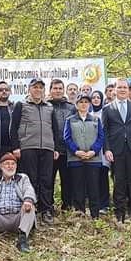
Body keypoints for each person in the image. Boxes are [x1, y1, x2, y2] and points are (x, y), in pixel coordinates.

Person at [10, 78, 60, 224]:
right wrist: (15, 147)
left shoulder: (49, 107)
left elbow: (55, 129)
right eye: (35, 87)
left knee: (46, 179)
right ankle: (30, 208)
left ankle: (46, 210)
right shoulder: (21, 105)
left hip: (47, 148)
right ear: (29, 89)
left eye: (40, 87)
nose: (38, 90)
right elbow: (13, 128)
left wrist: (55, 147)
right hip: (28, 147)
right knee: (30, 179)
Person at [102, 79, 131, 223]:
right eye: (120, 87)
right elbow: (104, 131)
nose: (122, 89)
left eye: (125, 87)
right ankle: (119, 212)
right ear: (114, 90)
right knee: (119, 181)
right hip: (116, 150)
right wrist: (107, 149)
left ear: (128, 90)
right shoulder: (108, 109)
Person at [0, 153, 37, 252]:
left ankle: (22, 240)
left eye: (13, 164)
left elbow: (29, 190)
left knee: (30, 207)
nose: (10, 166)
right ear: (1, 166)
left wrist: (28, 200)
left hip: (18, 218)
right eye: (7, 164)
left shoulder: (22, 178)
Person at [63, 93, 106, 218]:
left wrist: (93, 151)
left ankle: (95, 215)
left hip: (93, 159)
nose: (84, 104)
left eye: (86, 102)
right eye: (81, 102)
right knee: (78, 188)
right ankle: (80, 214)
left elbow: (101, 137)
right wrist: (76, 151)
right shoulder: (70, 120)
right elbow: (67, 138)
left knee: (94, 188)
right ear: (76, 105)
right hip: (75, 159)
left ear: (90, 104)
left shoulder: (96, 120)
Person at [48, 79, 76, 212]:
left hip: (67, 150)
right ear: (50, 90)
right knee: (48, 180)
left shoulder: (71, 107)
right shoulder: (46, 106)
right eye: (55, 88)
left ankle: (67, 206)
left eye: (60, 88)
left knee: (68, 180)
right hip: (50, 150)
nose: (58, 91)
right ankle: (49, 206)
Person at [0, 80, 16, 164]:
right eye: (1, 90)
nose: (4, 91)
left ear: (10, 92)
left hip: (13, 147)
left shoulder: (15, 108)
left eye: (6, 89)